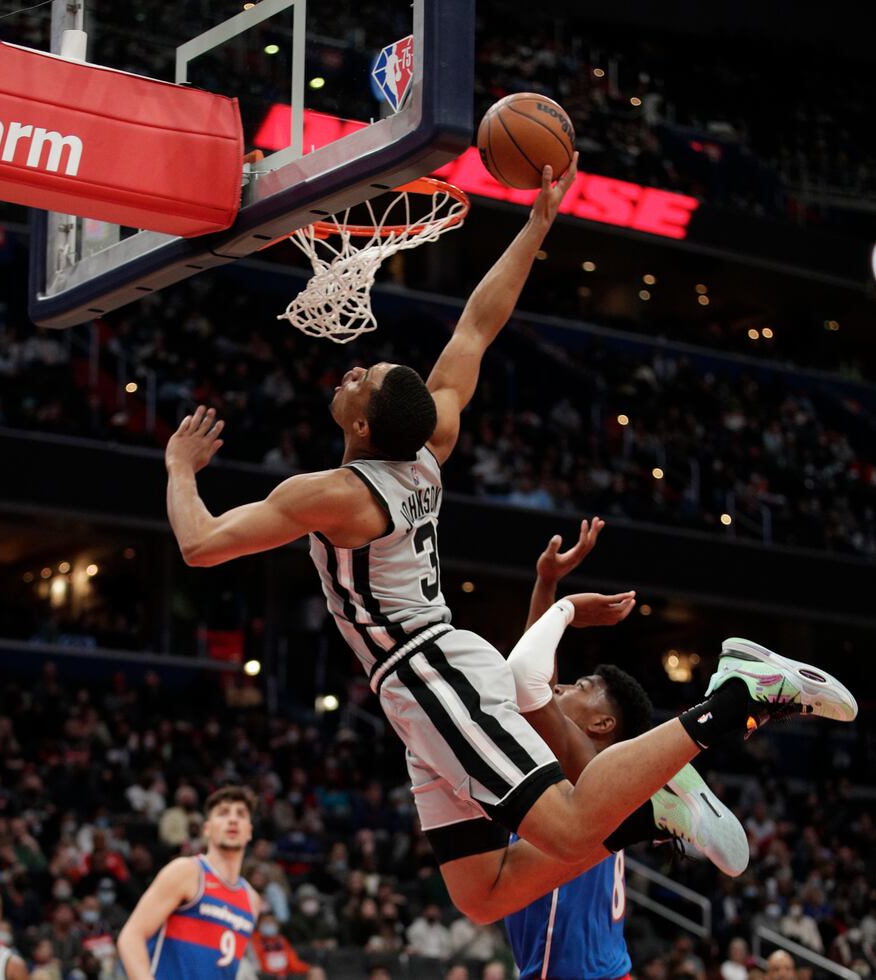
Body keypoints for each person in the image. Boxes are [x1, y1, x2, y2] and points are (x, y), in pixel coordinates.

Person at [165, 156, 857, 925]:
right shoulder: (430, 447)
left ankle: (736, 696)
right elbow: (478, 324)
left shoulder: (334, 495)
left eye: (361, 379)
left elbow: (201, 545)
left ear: (361, 427)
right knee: (485, 894)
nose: (353, 370)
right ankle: (655, 808)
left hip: (428, 671)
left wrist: (178, 467)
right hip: (422, 681)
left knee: (562, 823)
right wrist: (534, 226)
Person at [504, 524, 746, 978]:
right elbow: (535, 673)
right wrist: (547, 582)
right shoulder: (580, 774)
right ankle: (667, 792)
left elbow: (528, 682)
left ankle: (726, 707)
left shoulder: (578, 774)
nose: (562, 684)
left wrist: (560, 601)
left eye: (581, 686)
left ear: (602, 724)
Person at [117, 786, 260, 980]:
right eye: (223, 813)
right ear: (207, 829)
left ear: (249, 831)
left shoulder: (252, 900)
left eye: (241, 814)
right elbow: (130, 938)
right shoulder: (187, 872)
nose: (233, 819)